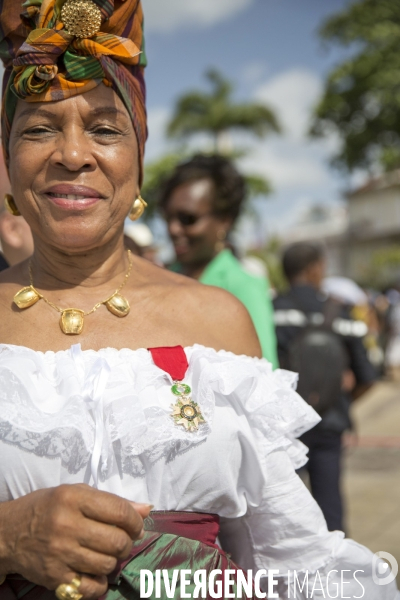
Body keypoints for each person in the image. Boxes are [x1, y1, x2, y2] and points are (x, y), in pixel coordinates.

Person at [0, 2, 397, 600]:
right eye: (38, 128)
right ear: (7, 157)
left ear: (139, 156)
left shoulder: (217, 321)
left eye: (106, 129)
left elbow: (287, 551)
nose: (73, 154)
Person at [273, 243, 376, 532]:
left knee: (282, 514)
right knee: (331, 512)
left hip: (285, 426)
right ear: (314, 268)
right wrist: (339, 399)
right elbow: (368, 376)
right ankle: (336, 573)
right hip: (330, 422)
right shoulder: (341, 314)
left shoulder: (271, 312)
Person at [159, 154, 278, 368]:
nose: (173, 229)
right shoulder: (163, 277)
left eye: (188, 219)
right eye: (168, 218)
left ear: (224, 220)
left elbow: (264, 373)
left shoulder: (243, 286)